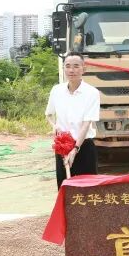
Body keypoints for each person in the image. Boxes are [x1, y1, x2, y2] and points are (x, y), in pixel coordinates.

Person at [45, 53, 100, 188]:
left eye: (76, 66)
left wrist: (75, 149)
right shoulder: (56, 91)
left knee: (87, 190)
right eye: (68, 66)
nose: (71, 70)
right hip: (62, 147)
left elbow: (86, 124)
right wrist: (54, 126)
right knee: (64, 188)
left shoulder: (91, 93)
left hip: (83, 146)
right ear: (63, 68)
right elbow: (49, 114)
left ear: (83, 69)